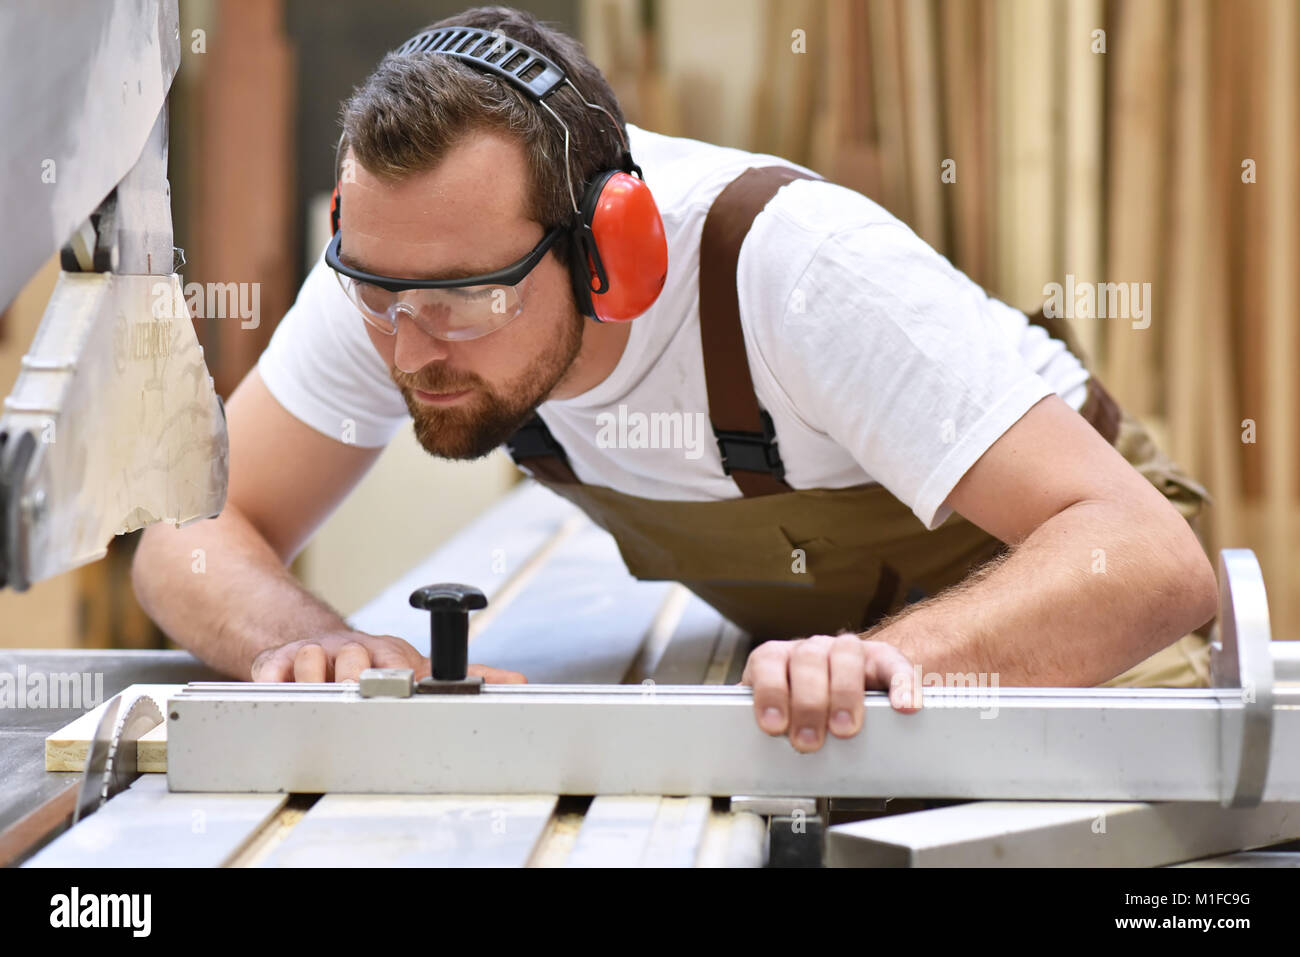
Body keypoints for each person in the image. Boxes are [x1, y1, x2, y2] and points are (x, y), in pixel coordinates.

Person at [133, 6, 1218, 754]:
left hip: (1069, 591)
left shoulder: (798, 271)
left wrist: (885, 663)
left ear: (615, 252)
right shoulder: (402, 268)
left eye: (469, 305)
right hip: (838, 654)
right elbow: (187, 536)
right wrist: (308, 643)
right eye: (383, 300)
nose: (414, 351)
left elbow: (1148, 563)